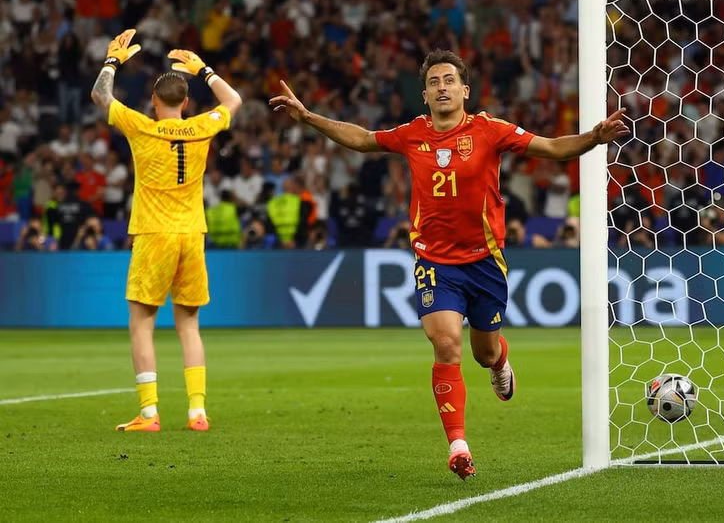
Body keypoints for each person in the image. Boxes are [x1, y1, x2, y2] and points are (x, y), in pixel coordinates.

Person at [269, 49, 629, 479]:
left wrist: (594, 136)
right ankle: (458, 445)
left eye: (449, 80)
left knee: (484, 351)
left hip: (485, 261)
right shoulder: (412, 133)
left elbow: (550, 147)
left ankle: (499, 363)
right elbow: (363, 138)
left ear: (465, 90)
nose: (442, 87)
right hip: (435, 261)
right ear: (425, 95)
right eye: (434, 82)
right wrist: (309, 118)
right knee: (445, 345)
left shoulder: (489, 130)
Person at [90, 29, 241, 432]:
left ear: (154, 101)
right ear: (186, 103)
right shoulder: (202, 127)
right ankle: (197, 412)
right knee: (188, 324)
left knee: (141, 322)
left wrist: (112, 61)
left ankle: (149, 412)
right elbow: (234, 100)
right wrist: (203, 69)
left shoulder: (142, 126)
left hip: (154, 233)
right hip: (192, 234)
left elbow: (101, 97)